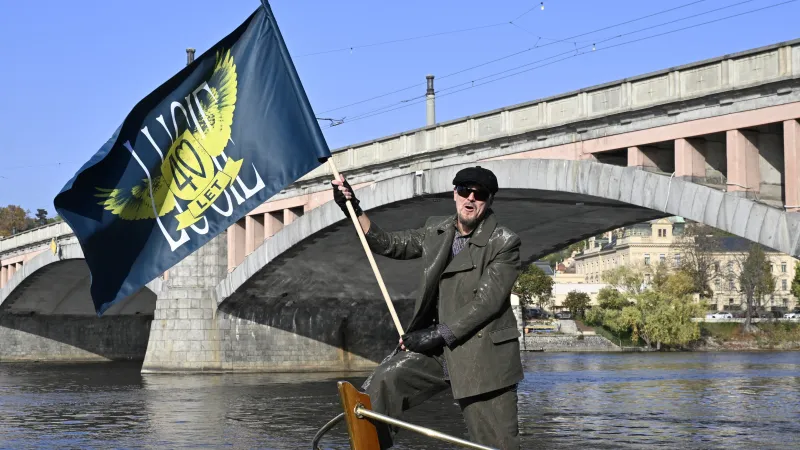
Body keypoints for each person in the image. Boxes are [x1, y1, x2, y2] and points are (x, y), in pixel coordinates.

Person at [331, 166, 523, 449]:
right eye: (464, 191)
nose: (470, 198)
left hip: (483, 355)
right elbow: (389, 244)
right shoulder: (437, 230)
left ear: (489, 200)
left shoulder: (505, 242)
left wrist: (436, 334)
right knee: (385, 380)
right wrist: (353, 208)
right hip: (439, 352)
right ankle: (369, 445)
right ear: (454, 194)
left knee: (495, 444)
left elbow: (486, 303)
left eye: (480, 194)